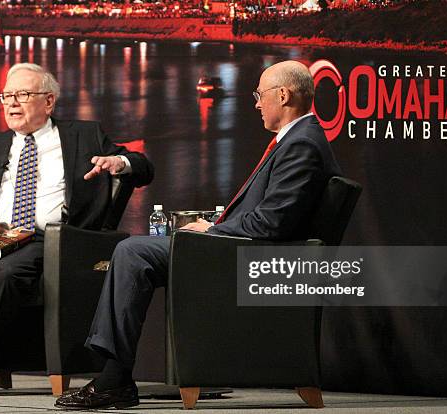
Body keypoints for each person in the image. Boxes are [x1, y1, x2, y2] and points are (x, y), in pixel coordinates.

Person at [54, 60, 342, 410]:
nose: (255, 103)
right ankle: (114, 375)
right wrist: (214, 224)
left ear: (283, 95)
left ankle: (114, 379)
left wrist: (213, 229)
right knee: (138, 250)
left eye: (259, 95)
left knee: (133, 251)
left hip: (250, 259)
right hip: (241, 249)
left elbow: (272, 223)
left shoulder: (302, 145)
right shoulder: (299, 139)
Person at [0, 63, 154, 396]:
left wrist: (121, 163)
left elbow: (144, 168)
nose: (13, 103)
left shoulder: (84, 136)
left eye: (23, 94)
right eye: (7, 96)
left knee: (6, 274)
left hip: (47, 240)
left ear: (49, 101)